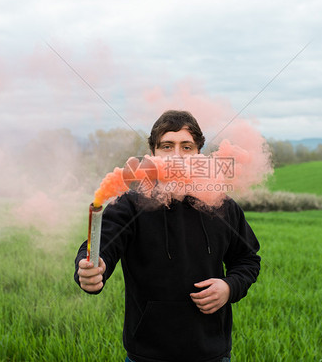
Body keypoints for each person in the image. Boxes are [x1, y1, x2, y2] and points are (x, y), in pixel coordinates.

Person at [74, 110, 261, 362]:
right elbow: (99, 247)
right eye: (166, 146)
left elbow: (247, 260)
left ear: (198, 155)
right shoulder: (129, 205)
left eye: (186, 147)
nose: (176, 156)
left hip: (211, 353)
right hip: (147, 355)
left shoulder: (223, 206)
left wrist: (229, 287)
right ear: (153, 155)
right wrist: (91, 269)